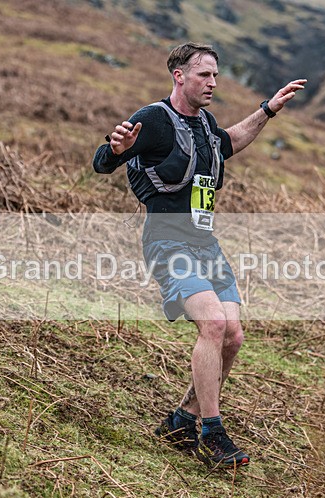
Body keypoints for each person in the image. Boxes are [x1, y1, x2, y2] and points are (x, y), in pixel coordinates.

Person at [92, 42, 306, 468]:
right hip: (168, 240)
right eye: (204, 75)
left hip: (206, 244)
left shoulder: (205, 124)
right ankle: (212, 431)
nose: (212, 83)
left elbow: (230, 142)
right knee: (212, 324)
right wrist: (115, 149)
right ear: (179, 76)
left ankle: (181, 420)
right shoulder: (154, 119)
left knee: (233, 336)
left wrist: (268, 110)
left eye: (215, 75)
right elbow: (104, 161)